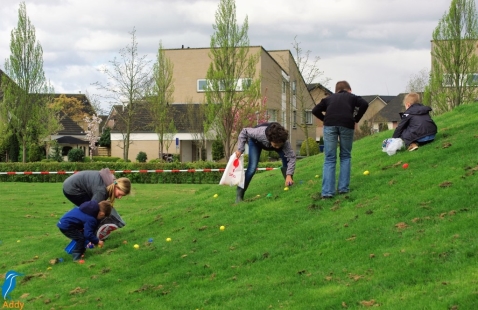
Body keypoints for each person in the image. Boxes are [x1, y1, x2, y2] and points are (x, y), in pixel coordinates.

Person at [312, 80, 368, 199]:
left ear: (336, 91)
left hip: (330, 125)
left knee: (329, 158)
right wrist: (356, 119)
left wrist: (325, 119)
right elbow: (364, 104)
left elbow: (315, 110)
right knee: (345, 156)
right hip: (347, 124)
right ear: (350, 90)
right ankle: (343, 188)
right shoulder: (352, 97)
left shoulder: (329, 98)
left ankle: (327, 192)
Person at [235, 122, 296, 203]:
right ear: (270, 140)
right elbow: (244, 131)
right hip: (255, 142)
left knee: (286, 157)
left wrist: (289, 175)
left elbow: (292, 157)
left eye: (279, 145)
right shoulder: (259, 133)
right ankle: (239, 194)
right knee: (252, 168)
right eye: (276, 145)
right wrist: (240, 149)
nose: (277, 147)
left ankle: (289, 182)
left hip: (273, 142)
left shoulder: (284, 141)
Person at [62, 168, 131, 239]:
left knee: (95, 209)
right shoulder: (101, 191)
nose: (120, 197)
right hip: (73, 189)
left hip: (73, 184)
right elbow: (93, 208)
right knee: (92, 210)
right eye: (120, 194)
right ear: (116, 187)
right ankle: (87, 233)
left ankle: (88, 230)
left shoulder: (111, 182)